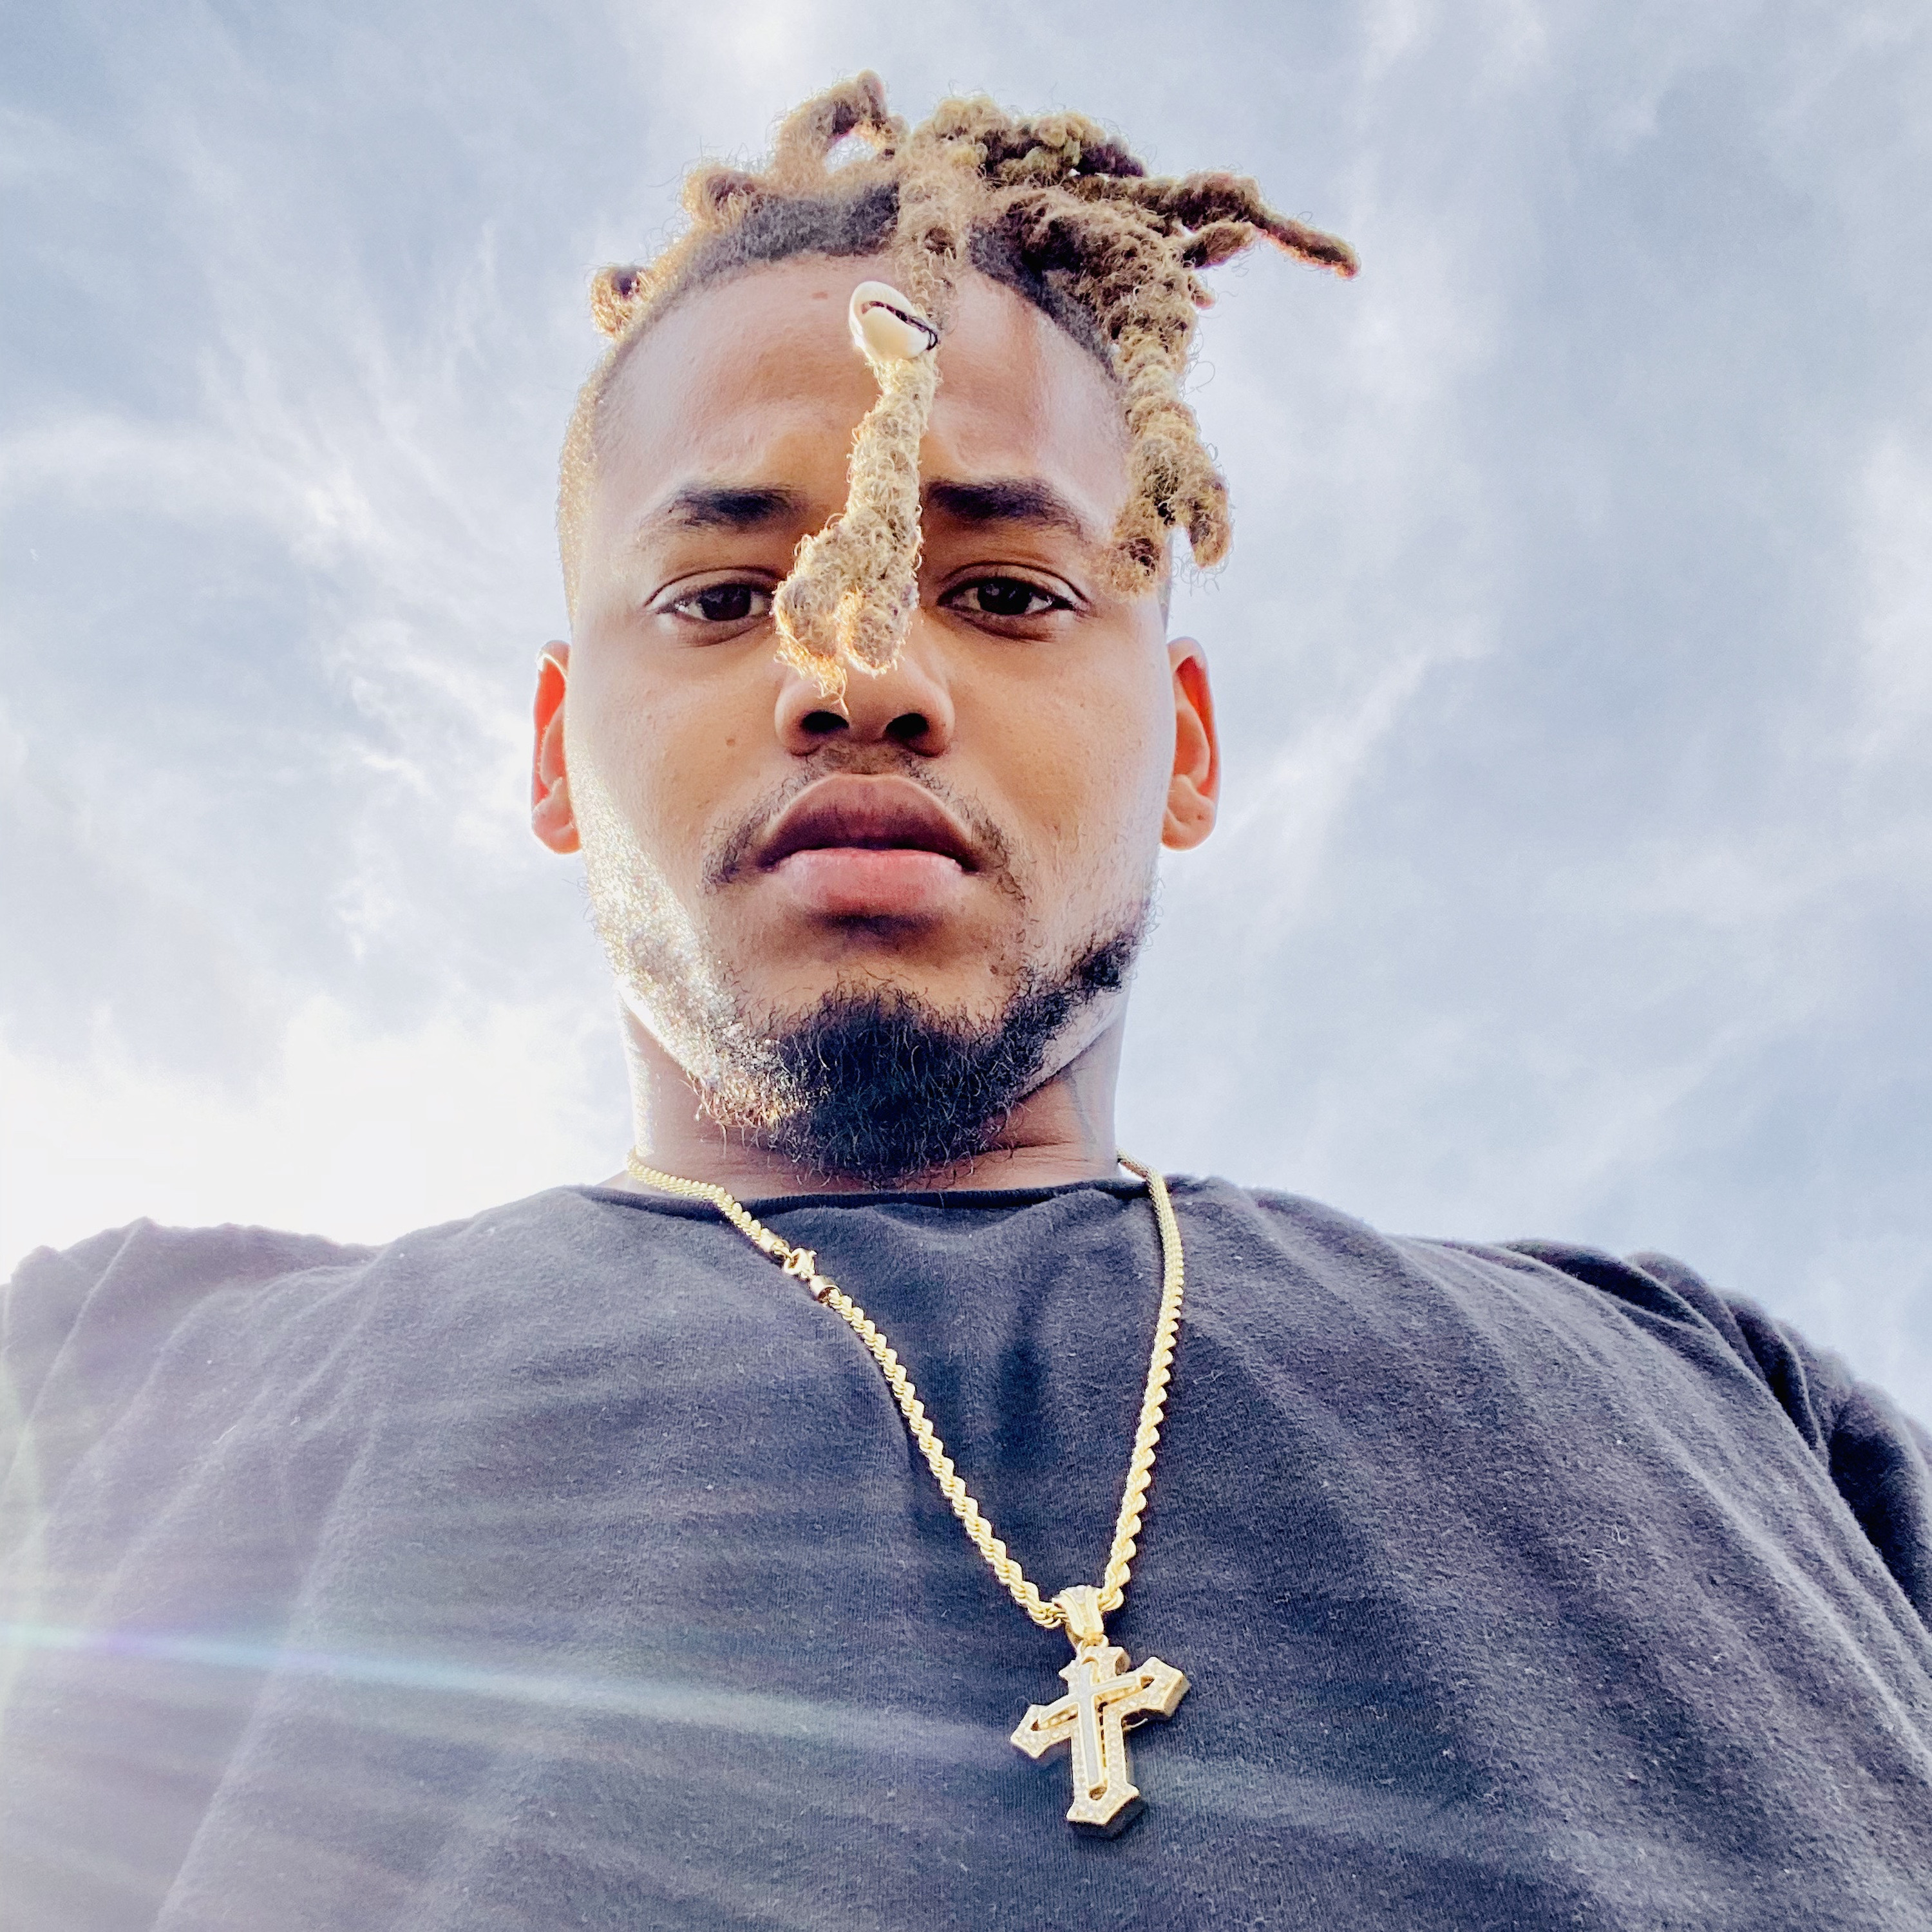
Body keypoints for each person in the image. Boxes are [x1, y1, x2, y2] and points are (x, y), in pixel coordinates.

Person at [2, 73, 1927, 1932]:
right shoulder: (118, 1393)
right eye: (719, 595)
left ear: (1185, 743)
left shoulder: (1728, 1400)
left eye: (1006, 592)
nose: (858, 673)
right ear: (552, 749)